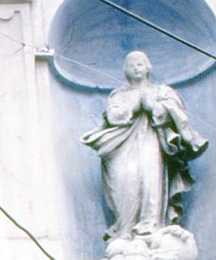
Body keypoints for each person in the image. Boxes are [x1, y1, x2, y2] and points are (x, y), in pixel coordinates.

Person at [82, 50, 208, 242]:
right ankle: (125, 229)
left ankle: (150, 227)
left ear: (148, 67)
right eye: (131, 65)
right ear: (125, 71)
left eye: (140, 63)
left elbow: (176, 115)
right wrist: (134, 106)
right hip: (122, 148)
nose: (136, 68)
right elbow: (113, 115)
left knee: (151, 180)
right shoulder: (119, 95)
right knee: (125, 183)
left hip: (151, 142)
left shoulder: (161, 92)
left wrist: (151, 106)